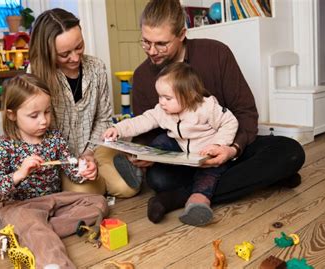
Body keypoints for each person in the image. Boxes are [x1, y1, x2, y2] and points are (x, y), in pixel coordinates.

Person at [129, 0, 305, 224]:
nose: (152, 51)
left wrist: (231, 149)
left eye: (161, 44)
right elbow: (147, 131)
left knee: (290, 151)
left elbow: (245, 112)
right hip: (183, 155)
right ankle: (263, 179)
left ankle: (178, 198)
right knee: (158, 178)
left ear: (182, 33)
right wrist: (140, 153)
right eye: (146, 42)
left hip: (226, 146)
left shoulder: (216, 53)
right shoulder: (143, 76)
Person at [0, 74, 108, 268]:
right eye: (34, 115)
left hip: (54, 200)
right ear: (12, 114)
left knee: (98, 203)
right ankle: (53, 260)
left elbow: (71, 170)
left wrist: (85, 171)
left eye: (47, 112)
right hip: (19, 206)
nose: (44, 121)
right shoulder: (5, 145)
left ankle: (29, 232)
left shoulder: (55, 138)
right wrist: (19, 174)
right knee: (31, 222)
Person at [103, 62, 239, 226]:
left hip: (206, 158)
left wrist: (219, 145)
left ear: (188, 95)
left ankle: (197, 203)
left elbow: (230, 122)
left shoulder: (206, 107)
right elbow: (143, 120)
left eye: (167, 98)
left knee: (209, 176)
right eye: (159, 96)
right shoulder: (162, 110)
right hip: (181, 151)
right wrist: (118, 129)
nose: (161, 102)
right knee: (162, 141)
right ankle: (136, 167)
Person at [28, 8, 140, 198]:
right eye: (64, 54)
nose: (75, 57)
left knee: (128, 189)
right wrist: (71, 161)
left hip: (95, 146)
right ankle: (96, 180)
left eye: (79, 46)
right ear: (47, 52)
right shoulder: (35, 74)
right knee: (84, 193)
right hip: (60, 157)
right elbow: (36, 129)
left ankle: (105, 172)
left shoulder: (96, 67)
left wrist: (89, 153)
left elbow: (104, 118)